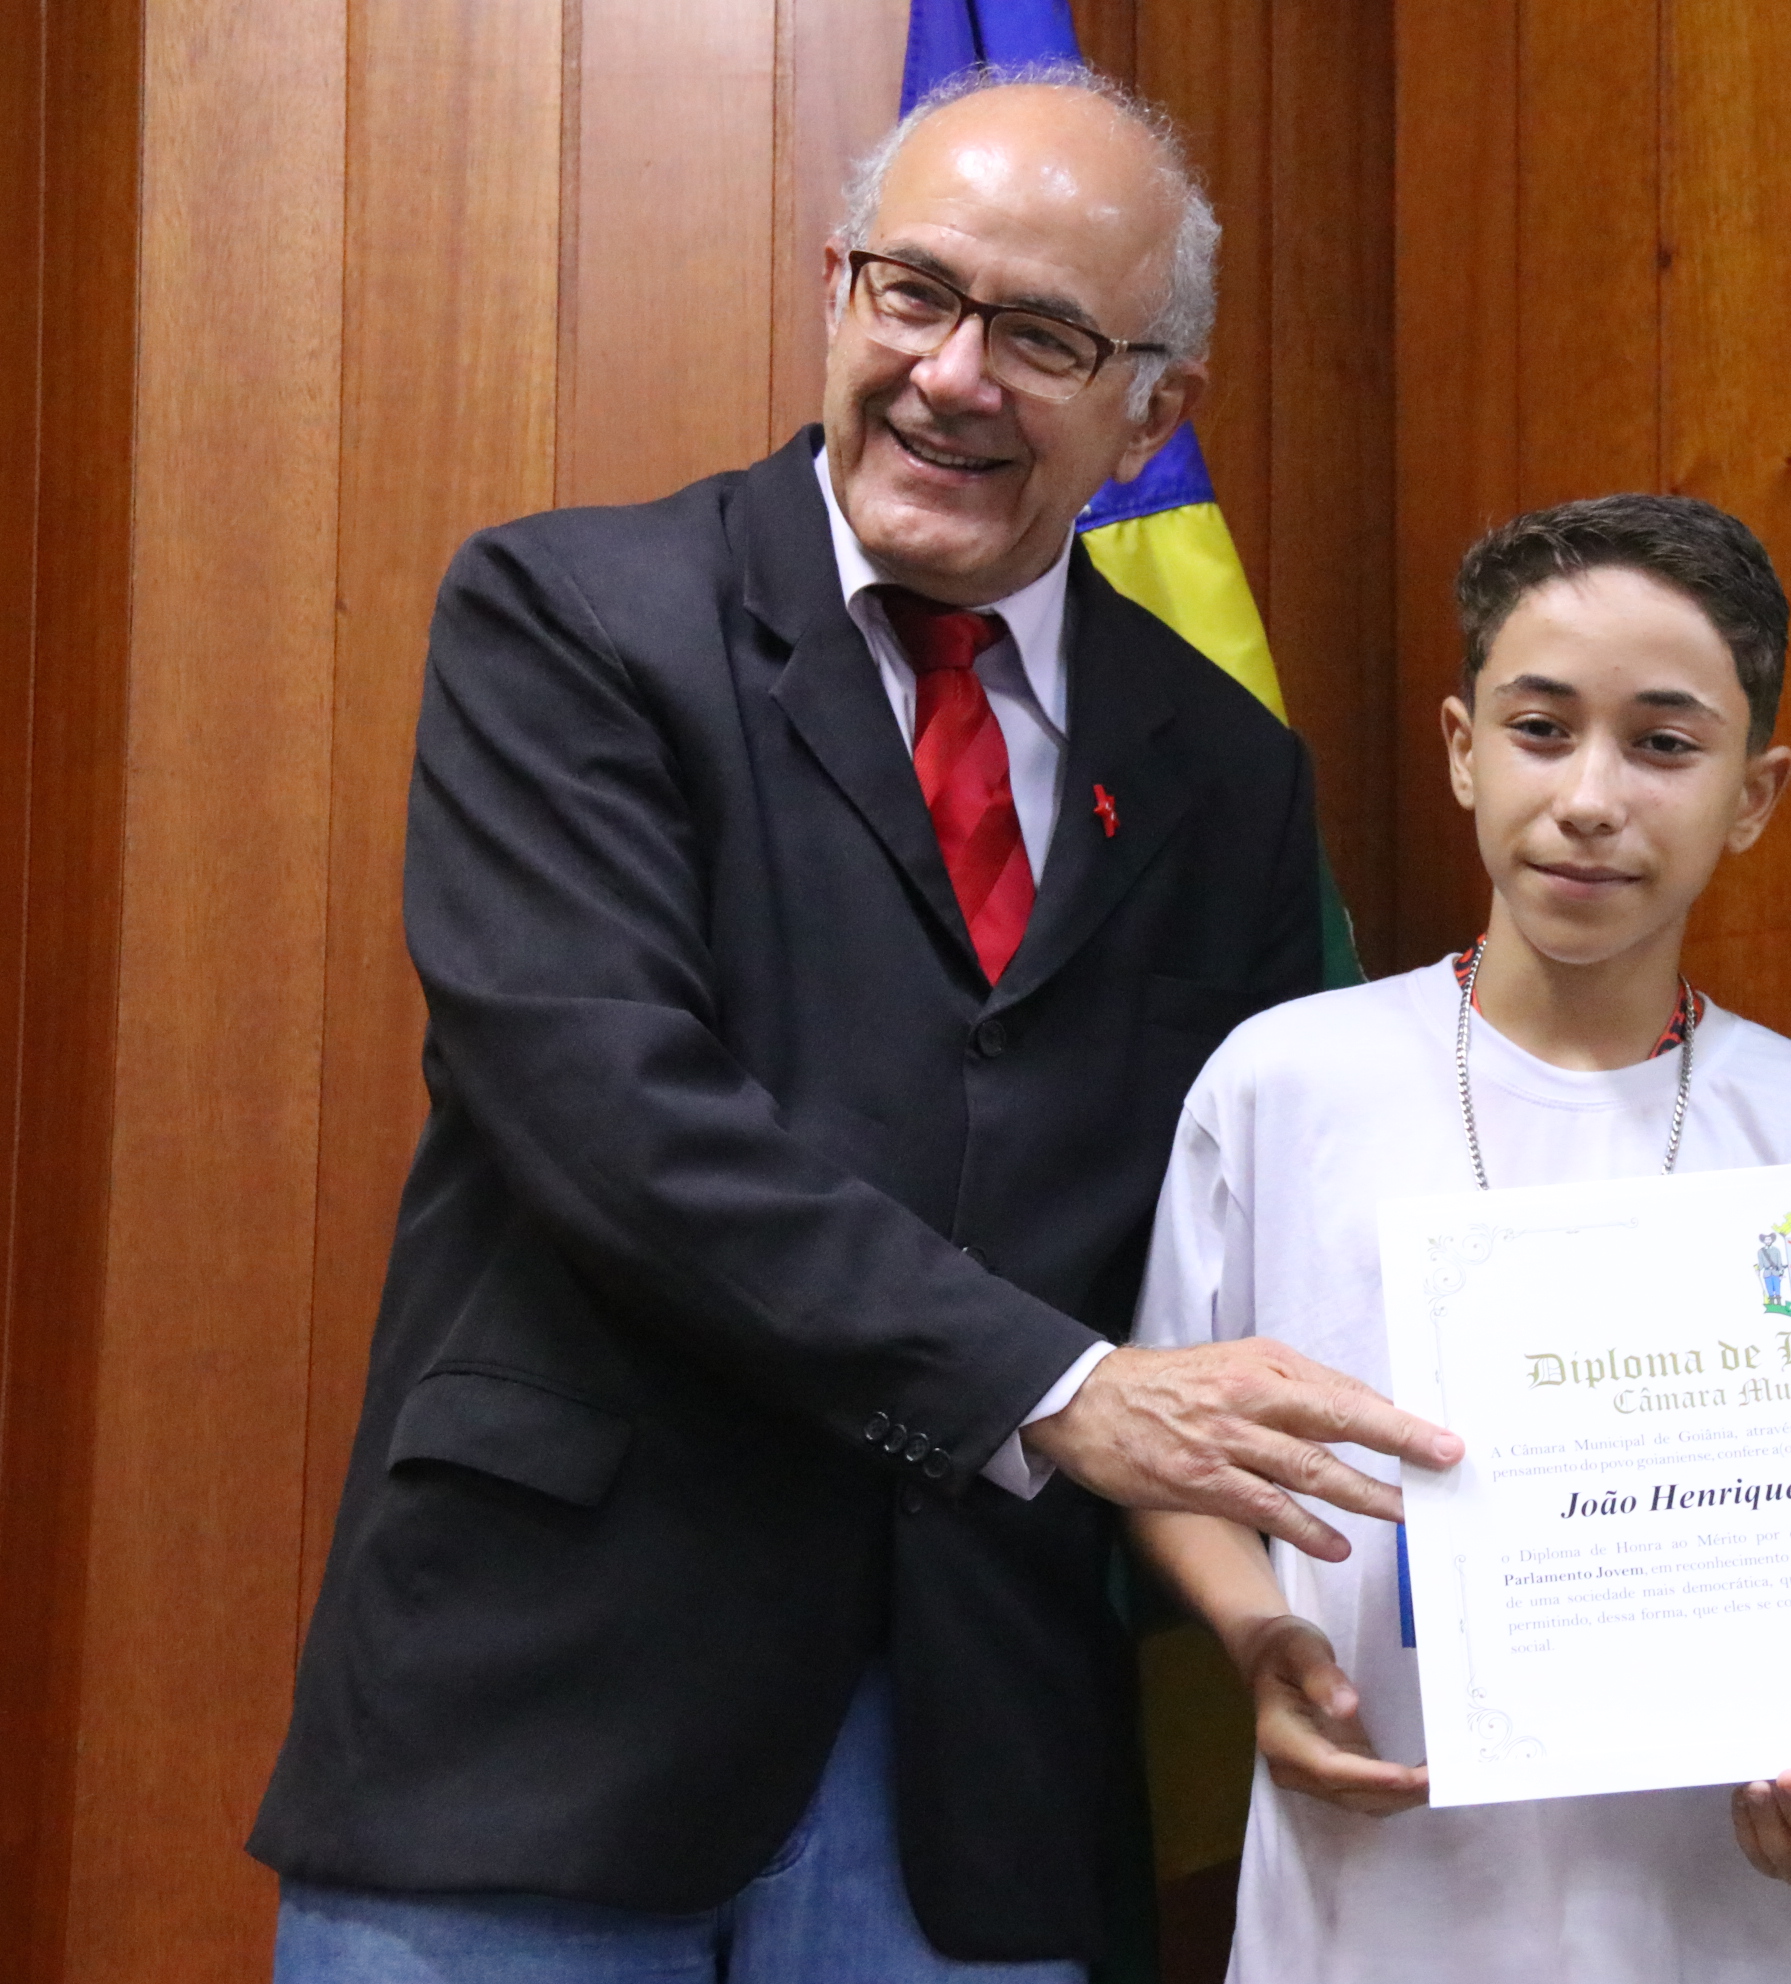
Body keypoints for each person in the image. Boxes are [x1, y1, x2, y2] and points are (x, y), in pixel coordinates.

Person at [252, 63, 1456, 1982]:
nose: (953, 374)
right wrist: (1057, 1392)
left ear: (1156, 410)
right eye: (916, 292)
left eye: (1043, 335)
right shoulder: (573, 619)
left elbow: (1265, 1223)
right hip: (544, 1723)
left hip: (985, 1765)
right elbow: (610, 1117)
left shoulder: (1228, 773)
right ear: (838, 290)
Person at [1128, 495, 1791, 1984]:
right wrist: (1257, 1641)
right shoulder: (1284, 1082)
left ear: (1754, 793)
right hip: (1364, 1899)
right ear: (1462, 748)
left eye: (1664, 744)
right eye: (1541, 730)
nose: (1591, 797)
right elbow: (1172, 1450)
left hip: (1692, 1916)